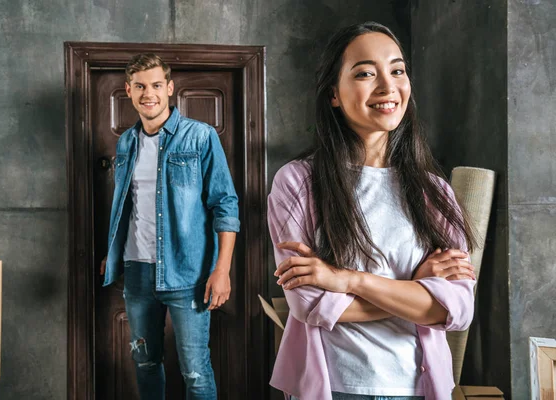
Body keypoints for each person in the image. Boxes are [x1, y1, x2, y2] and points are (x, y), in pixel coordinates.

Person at [267, 22, 477, 400]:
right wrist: (417, 290)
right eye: (365, 73)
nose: (387, 86)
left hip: (420, 387)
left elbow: (457, 310)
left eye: (397, 70)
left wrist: (347, 280)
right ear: (334, 93)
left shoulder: (435, 191)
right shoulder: (298, 183)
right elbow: (309, 304)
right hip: (336, 387)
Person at [100, 53, 240, 400]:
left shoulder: (200, 137)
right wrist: (113, 254)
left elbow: (225, 205)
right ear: (129, 91)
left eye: (157, 85)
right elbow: (126, 205)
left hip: (187, 274)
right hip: (137, 273)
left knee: (195, 370)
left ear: (170, 88)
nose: (149, 93)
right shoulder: (126, 143)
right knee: (145, 363)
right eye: (141, 86)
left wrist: (222, 270)